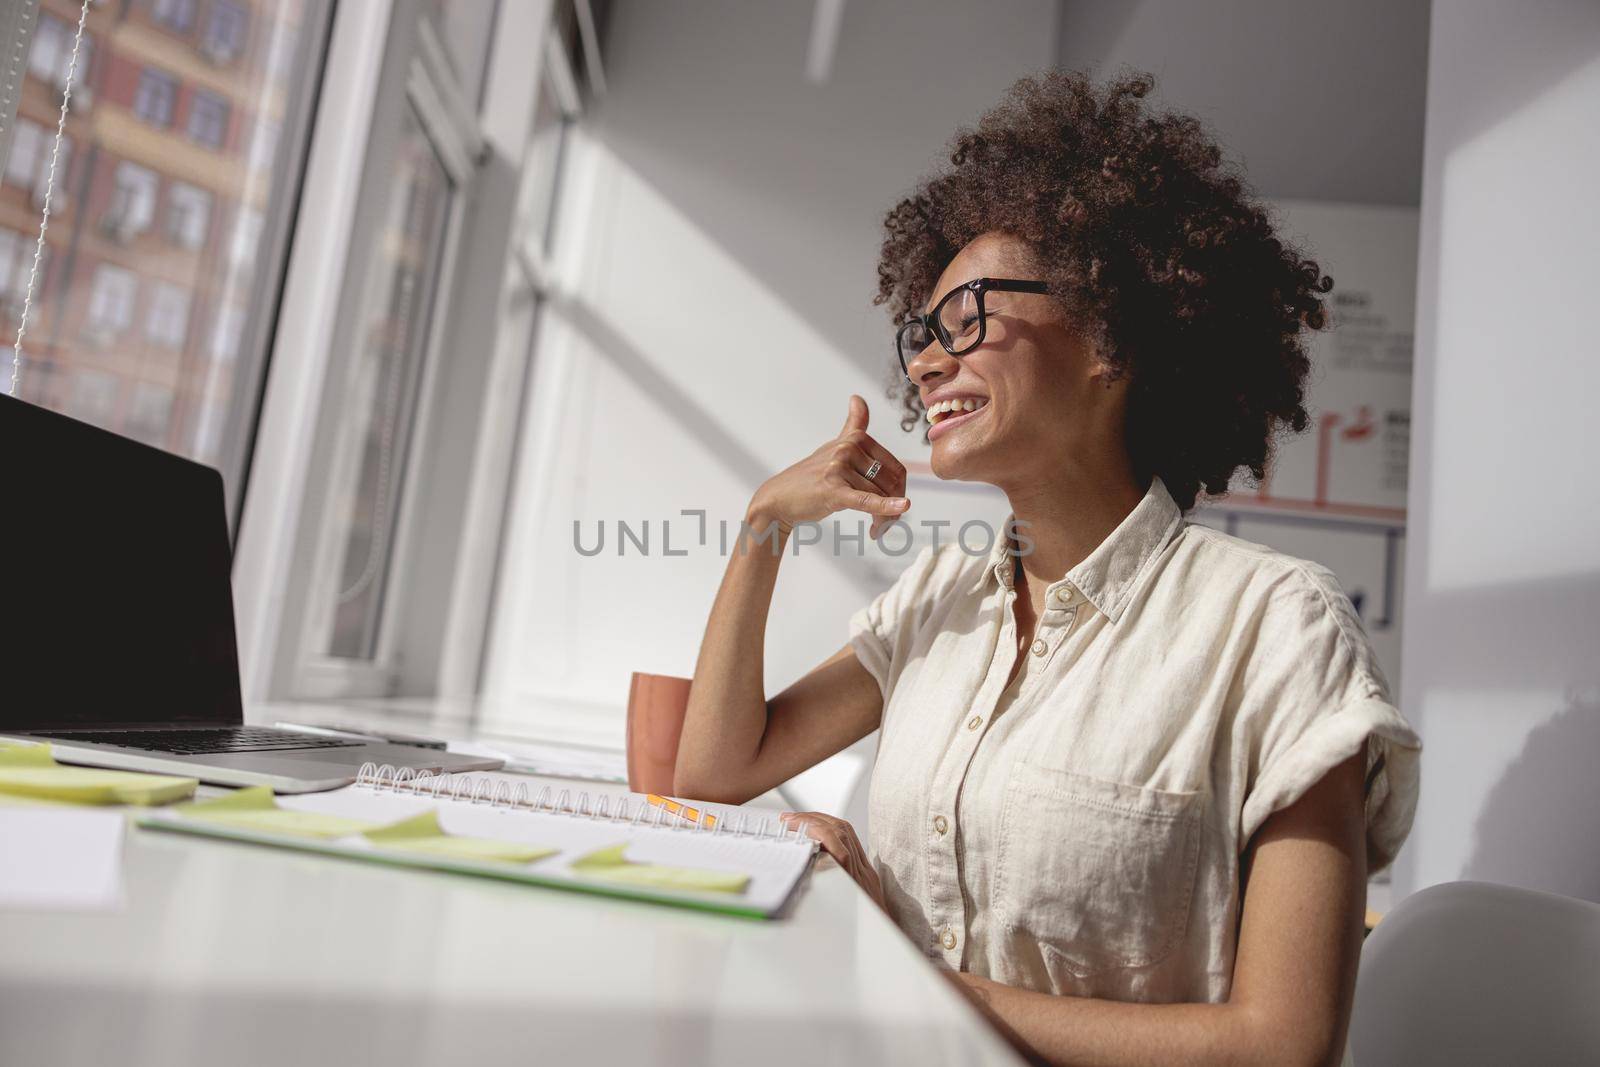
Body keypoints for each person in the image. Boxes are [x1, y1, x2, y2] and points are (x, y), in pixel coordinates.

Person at [674, 70, 1420, 1067]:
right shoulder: (941, 597)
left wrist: (903, 975)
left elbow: (1281, 1045)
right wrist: (765, 521)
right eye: (923, 334)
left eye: (969, 314)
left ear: (1110, 336)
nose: (928, 362)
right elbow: (716, 770)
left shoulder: (1275, 626)